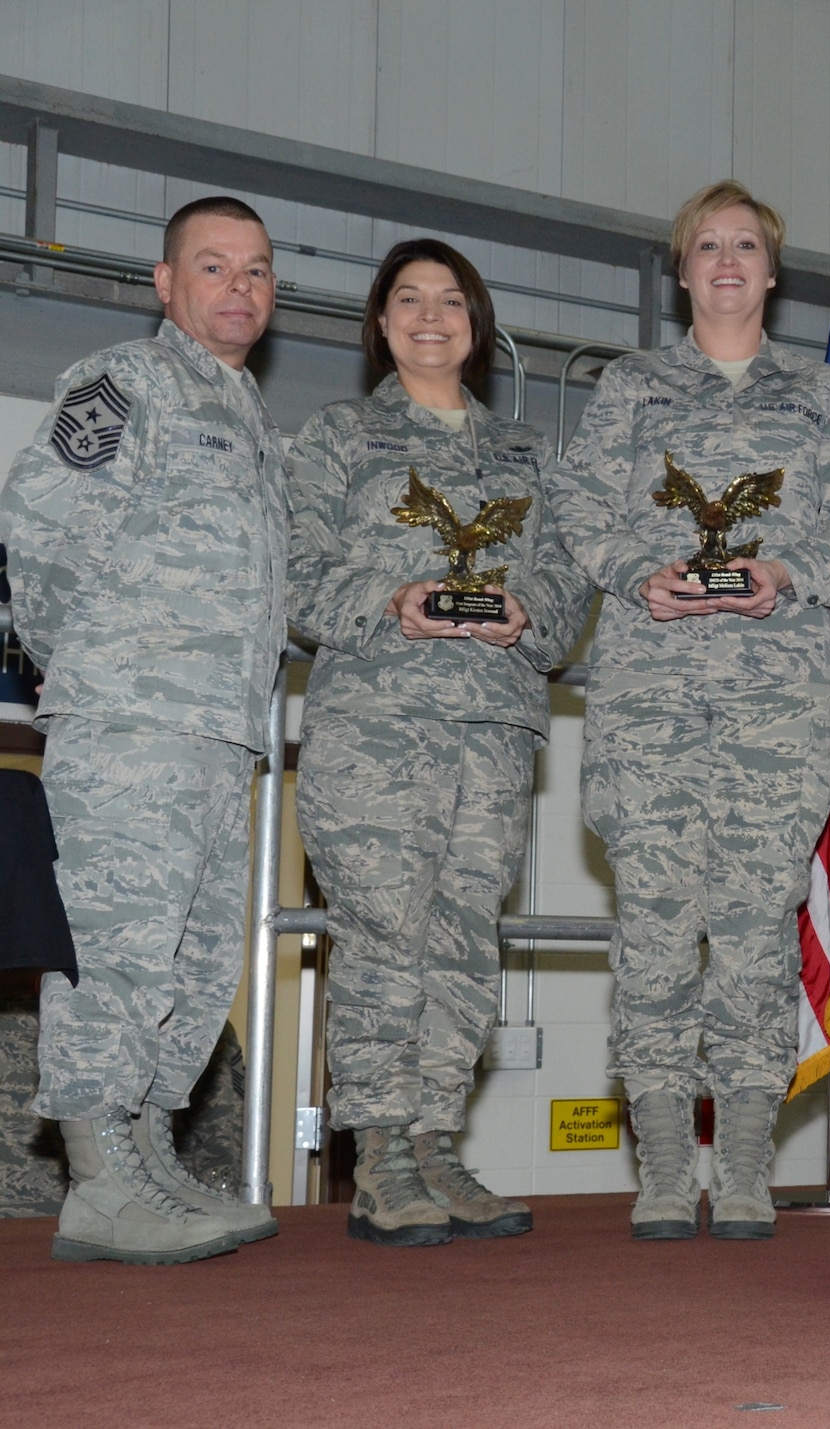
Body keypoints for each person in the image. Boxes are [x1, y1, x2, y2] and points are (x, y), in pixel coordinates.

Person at [547, 181, 830, 1241]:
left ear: (772, 269)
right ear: (683, 270)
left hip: (772, 715)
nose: (728, 260)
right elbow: (576, 506)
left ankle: (742, 1167)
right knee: (653, 937)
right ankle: (663, 1168)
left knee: (752, 938)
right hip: (649, 709)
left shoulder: (824, 395)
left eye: (746, 243)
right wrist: (636, 569)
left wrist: (788, 573)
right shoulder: (632, 387)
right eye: (708, 245)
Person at [0, 195, 290, 1263]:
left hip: (219, 734)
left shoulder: (247, 412)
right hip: (133, 725)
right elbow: (41, 534)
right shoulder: (126, 381)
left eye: (256, 271)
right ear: (166, 284)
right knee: (116, 950)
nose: (238, 289)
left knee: (191, 959)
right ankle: (96, 1178)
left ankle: (150, 1151)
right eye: (212, 268)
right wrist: (106, 669)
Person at [288, 239, 592, 1246]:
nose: (431, 317)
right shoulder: (337, 437)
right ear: (379, 323)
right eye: (409, 300)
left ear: (479, 323)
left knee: (464, 939)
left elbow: (565, 575)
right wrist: (387, 599)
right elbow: (292, 577)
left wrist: (526, 615)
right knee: (385, 934)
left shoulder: (525, 454)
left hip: (495, 730)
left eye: (451, 301)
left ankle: (434, 1142)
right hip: (375, 730)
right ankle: (378, 1154)